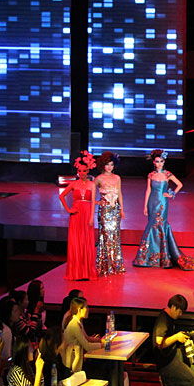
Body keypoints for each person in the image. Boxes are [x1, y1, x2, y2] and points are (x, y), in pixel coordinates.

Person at [133, 150, 194, 269]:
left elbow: (179, 184)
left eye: (161, 161)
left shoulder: (168, 175)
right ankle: (150, 256)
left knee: (161, 225)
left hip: (162, 203)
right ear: (154, 162)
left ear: (164, 162)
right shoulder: (151, 175)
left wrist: (171, 194)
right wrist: (145, 205)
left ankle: (163, 256)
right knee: (151, 225)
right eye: (157, 161)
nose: (159, 164)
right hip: (152, 202)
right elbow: (148, 190)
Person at [59, 151, 98, 281]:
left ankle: (86, 272)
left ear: (88, 171)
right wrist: (68, 210)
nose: (82, 173)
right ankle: (76, 272)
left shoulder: (92, 185)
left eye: (84, 171)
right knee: (76, 242)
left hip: (87, 214)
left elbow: (93, 202)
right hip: (76, 215)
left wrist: (92, 217)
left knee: (86, 241)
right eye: (80, 171)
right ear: (77, 172)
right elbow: (61, 196)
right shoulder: (74, 184)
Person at [153, 294, 194, 386]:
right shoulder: (163, 320)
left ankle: (182, 375)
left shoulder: (170, 318)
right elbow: (159, 344)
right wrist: (176, 337)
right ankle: (168, 382)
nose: (180, 314)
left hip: (173, 353)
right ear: (174, 307)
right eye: (180, 311)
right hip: (166, 360)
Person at [94, 151, 125, 276]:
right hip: (105, 210)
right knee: (106, 236)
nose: (109, 167)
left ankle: (115, 265)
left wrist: (122, 209)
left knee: (115, 236)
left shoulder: (117, 178)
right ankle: (105, 266)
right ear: (103, 165)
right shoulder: (99, 178)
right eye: (107, 164)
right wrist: (97, 202)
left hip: (115, 209)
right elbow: (90, 193)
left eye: (111, 164)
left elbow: (120, 194)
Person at [62, 297, 103, 371]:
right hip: (72, 365)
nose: (88, 309)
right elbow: (87, 346)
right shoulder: (74, 325)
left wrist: (99, 341)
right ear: (79, 310)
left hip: (76, 361)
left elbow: (86, 338)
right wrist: (103, 345)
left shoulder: (78, 322)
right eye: (86, 307)